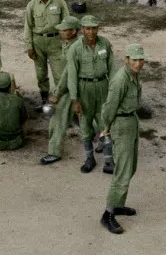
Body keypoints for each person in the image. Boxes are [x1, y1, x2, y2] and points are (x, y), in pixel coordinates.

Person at [99, 43, 146, 235]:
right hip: (120, 124)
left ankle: (118, 205)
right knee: (123, 171)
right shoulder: (121, 79)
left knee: (131, 166)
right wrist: (106, 128)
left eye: (141, 59)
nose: (138, 63)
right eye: (134, 59)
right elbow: (109, 106)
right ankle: (108, 214)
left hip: (131, 122)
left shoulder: (134, 75)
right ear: (126, 60)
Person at [65, 15, 115, 175]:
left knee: (105, 123)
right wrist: (74, 99)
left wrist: (113, 92)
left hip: (102, 86)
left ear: (98, 29)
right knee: (85, 124)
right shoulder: (75, 49)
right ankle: (89, 159)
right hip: (84, 87)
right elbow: (72, 75)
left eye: (94, 28)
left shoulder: (105, 44)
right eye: (87, 28)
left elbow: (112, 69)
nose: (91, 31)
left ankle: (108, 160)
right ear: (82, 30)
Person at [40, 16, 82, 165]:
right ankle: (106, 142)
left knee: (57, 120)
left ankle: (54, 152)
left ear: (74, 31)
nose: (61, 32)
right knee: (91, 118)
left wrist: (57, 93)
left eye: (65, 30)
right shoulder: (69, 44)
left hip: (72, 88)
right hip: (74, 85)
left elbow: (68, 74)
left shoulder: (74, 48)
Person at [23, 0, 70, 107]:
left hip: (56, 41)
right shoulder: (31, 5)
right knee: (41, 74)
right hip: (38, 42)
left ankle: (61, 101)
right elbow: (28, 26)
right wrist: (29, 46)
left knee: (59, 73)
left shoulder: (59, 1)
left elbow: (67, 21)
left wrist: (68, 40)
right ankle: (44, 100)